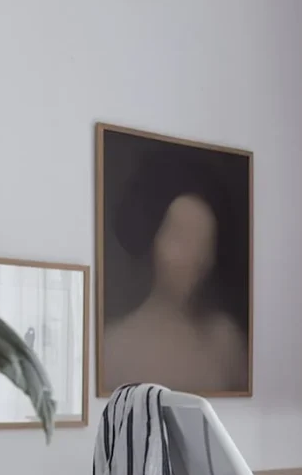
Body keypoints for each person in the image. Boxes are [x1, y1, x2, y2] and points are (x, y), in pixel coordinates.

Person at [103, 149, 249, 394]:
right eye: (181, 238)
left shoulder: (227, 342)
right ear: (152, 242)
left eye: (205, 241)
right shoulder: (115, 347)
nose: (195, 257)